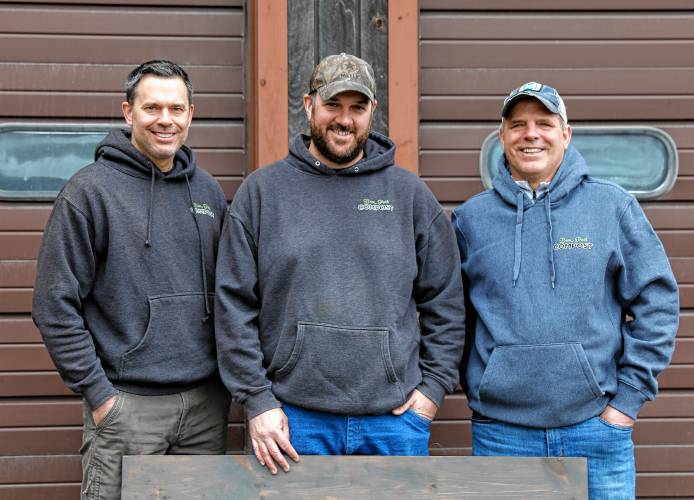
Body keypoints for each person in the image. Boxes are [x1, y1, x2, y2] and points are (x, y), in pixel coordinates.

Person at [215, 53, 466, 474]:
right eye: (333, 105)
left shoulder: (409, 196)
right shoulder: (262, 194)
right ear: (309, 104)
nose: (344, 119)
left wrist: (433, 389)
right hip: (292, 420)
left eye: (357, 107)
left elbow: (446, 300)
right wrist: (257, 400)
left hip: (394, 422)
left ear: (372, 112)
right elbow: (233, 305)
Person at [451, 82, 679, 499]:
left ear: (566, 134)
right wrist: (479, 388)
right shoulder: (471, 220)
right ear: (502, 136)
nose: (531, 134)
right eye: (517, 125)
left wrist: (625, 404)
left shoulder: (612, 207)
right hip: (502, 435)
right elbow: (451, 317)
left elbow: (658, 302)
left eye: (544, 123)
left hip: (596, 432)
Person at [32, 60, 230, 499]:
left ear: (191, 114)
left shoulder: (209, 193)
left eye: (177, 109)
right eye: (152, 107)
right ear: (128, 113)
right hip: (127, 407)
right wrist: (101, 397)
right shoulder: (89, 193)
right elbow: (53, 303)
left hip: (205, 407)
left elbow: (232, 295)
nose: (165, 120)